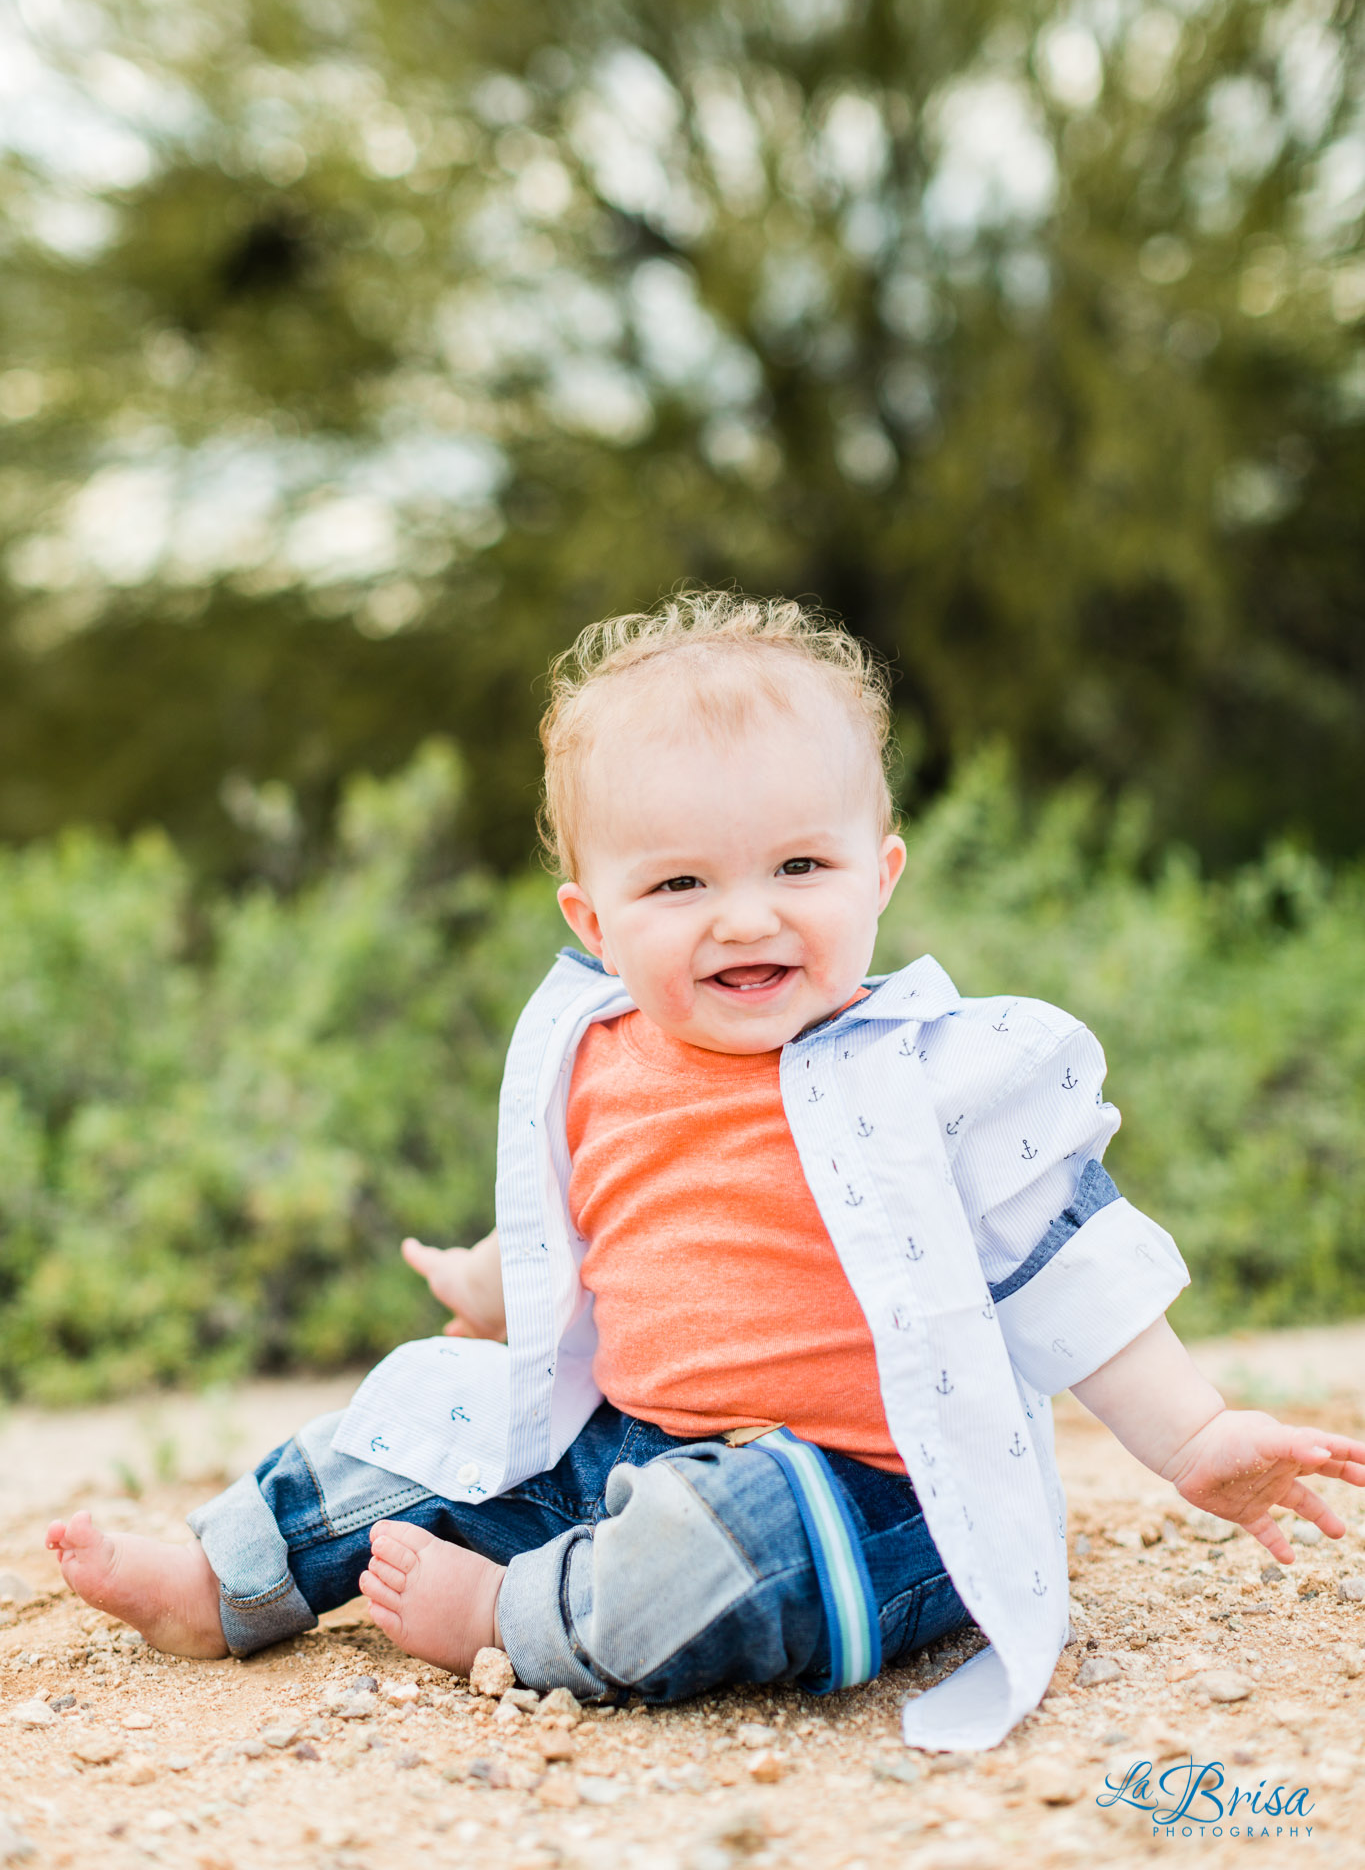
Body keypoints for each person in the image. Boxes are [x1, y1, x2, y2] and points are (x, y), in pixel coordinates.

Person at [46, 595, 1365, 1752]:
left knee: (720, 1542)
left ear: (879, 875)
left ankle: (514, 1614)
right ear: (593, 920)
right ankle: (228, 1582)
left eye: (799, 865)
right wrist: (500, 1287)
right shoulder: (594, 1047)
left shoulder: (933, 1074)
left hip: (863, 1491)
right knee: (418, 1416)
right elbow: (603, 1221)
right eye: (679, 881)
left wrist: (1193, 1436)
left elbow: (1062, 1258)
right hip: (629, 1439)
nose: (747, 914)